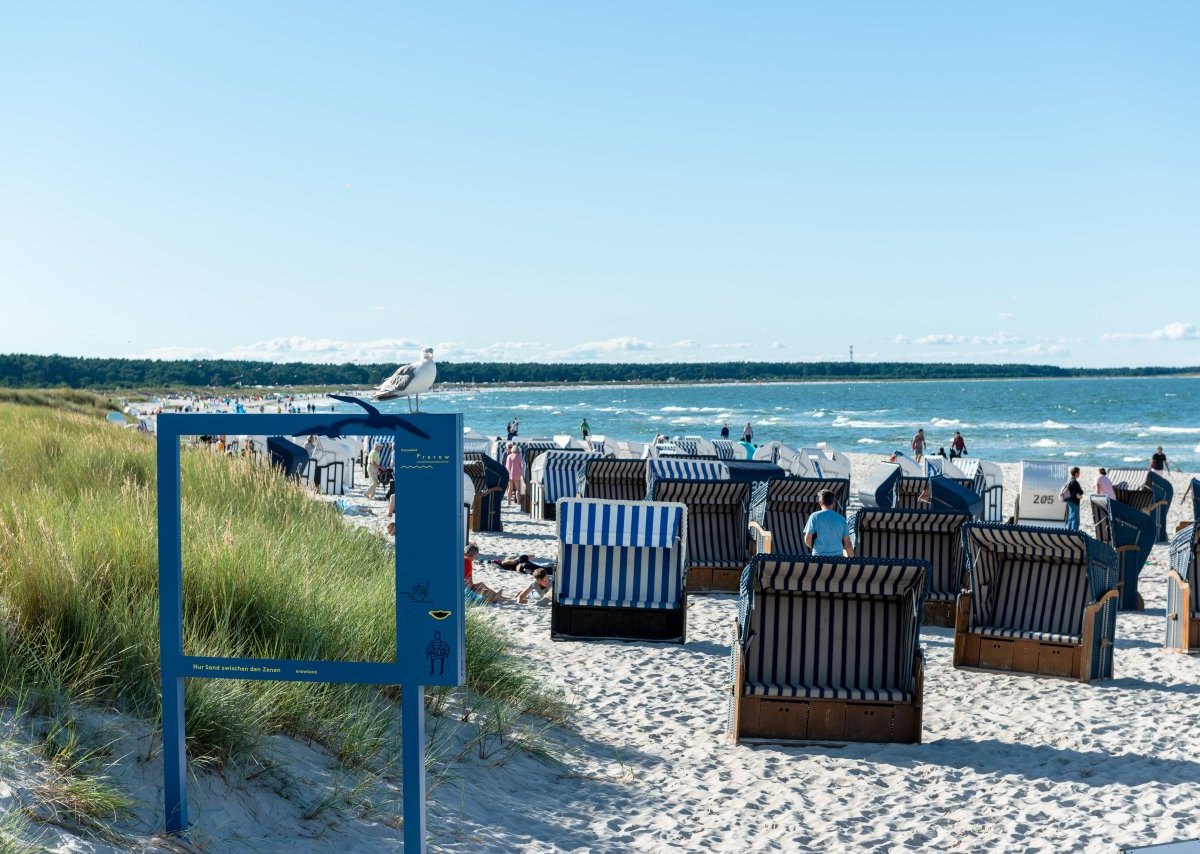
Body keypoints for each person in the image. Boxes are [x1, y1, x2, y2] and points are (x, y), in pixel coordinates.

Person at [802, 489, 855, 557]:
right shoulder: (842, 519)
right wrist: (852, 561)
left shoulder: (814, 517)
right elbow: (848, 544)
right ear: (833, 503)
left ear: (820, 503)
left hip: (818, 558)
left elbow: (807, 540)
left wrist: (817, 548)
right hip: (837, 559)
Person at [1063, 466, 1084, 531]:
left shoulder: (1069, 481)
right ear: (1075, 473)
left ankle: (1069, 531)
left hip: (1069, 501)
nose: (1079, 474)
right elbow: (1080, 492)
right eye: (1078, 472)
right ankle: (1074, 532)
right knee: (1075, 518)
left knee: (1071, 517)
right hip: (1074, 501)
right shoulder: (1074, 482)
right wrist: (1081, 492)